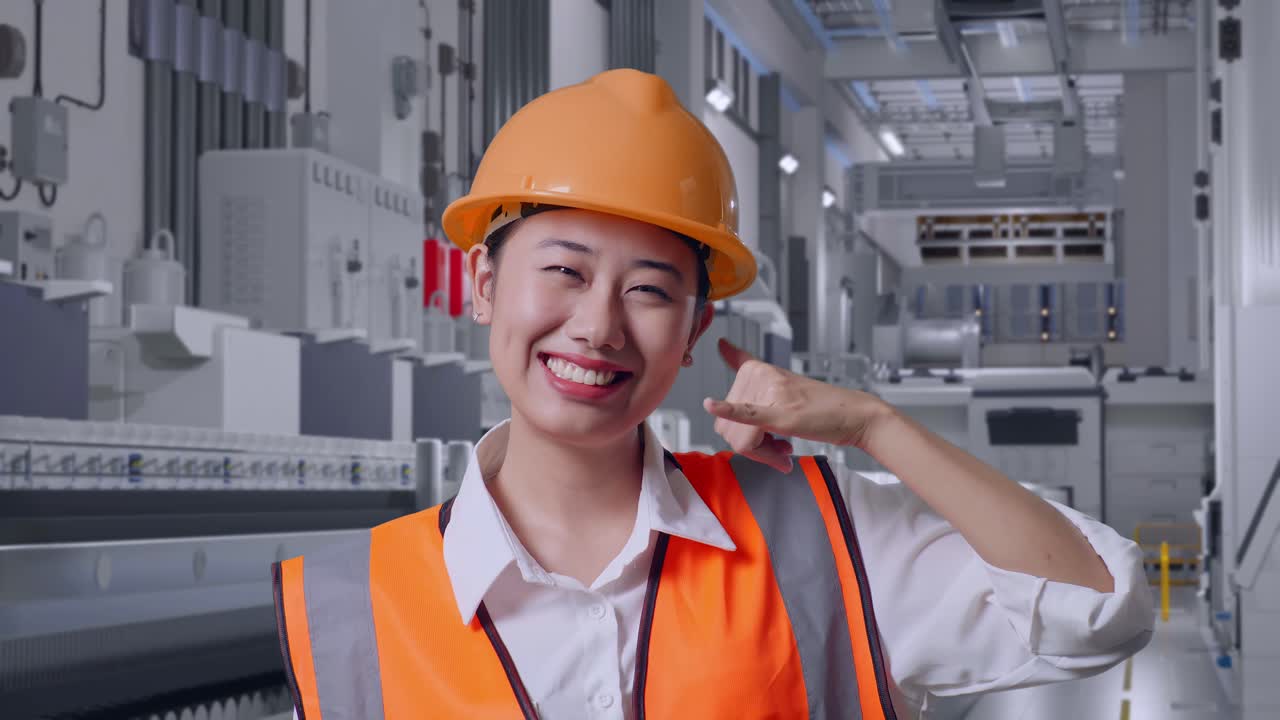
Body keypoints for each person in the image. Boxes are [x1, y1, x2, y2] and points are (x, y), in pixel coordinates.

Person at [272, 69, 1153, 719]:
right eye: (563, 272)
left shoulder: (818, 543)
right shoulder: (356, 604)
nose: (597, 326)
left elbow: (1100, 605)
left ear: (695, 330)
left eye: (649, 290)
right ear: (484, 284)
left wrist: (877, 426)